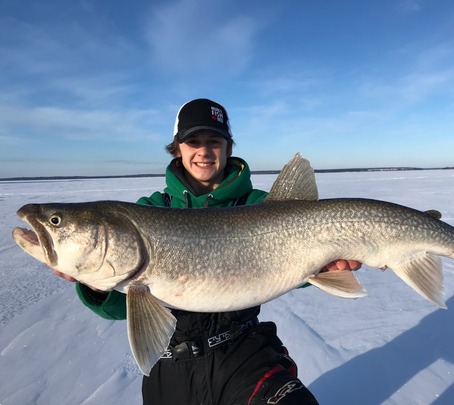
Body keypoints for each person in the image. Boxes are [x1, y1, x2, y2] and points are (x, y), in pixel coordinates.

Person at [53, 98, 361, 404]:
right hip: (169, 366)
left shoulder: (258, 205)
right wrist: (95, 285)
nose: (204, 151)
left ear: (227, 148)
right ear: (178, 148)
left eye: (214, 141)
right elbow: (122, 308)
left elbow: (289, 262)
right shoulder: (149, 211)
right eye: (193, 141)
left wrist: (321, 265)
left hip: (244, 354)